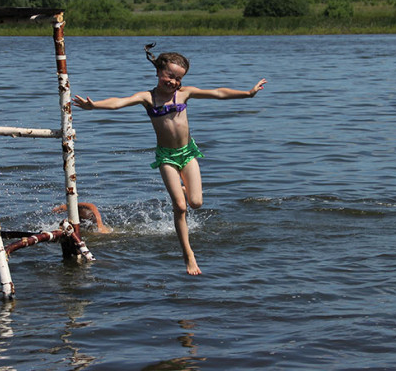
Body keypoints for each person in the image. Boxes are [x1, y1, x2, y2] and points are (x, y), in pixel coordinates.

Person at [74, 44, 267, 275]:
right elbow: (119, 102)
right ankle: (188, 255)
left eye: (178, 78)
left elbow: (217, 92)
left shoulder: (184, 93)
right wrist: (94, 106)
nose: (174, 82)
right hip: (166, 157)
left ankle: (184, 188)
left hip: (188, 153)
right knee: (180, 207)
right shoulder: (147, 97)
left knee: (196, 203)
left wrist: (247, 93)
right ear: (158, 72)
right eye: (170, 76)